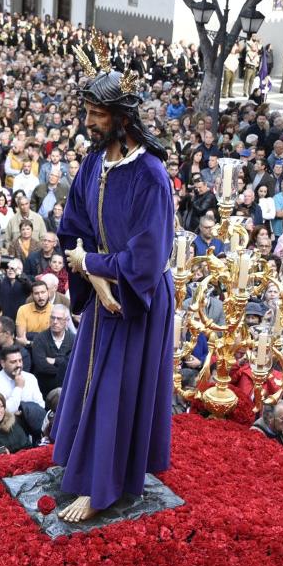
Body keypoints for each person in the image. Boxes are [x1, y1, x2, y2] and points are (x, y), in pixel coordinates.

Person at [53, 42, 175, 522]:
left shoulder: (150, 175)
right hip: (106, 292)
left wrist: (101, 274)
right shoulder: (92, 163)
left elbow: (148, 257)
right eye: (86, 112)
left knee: (117, 390)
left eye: (97, 114)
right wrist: (93, 277)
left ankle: (103, 489)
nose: (88, 122)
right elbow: (72, 227)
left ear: (122, 118)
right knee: (90, 382)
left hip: (136, 301)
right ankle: (86, 470)